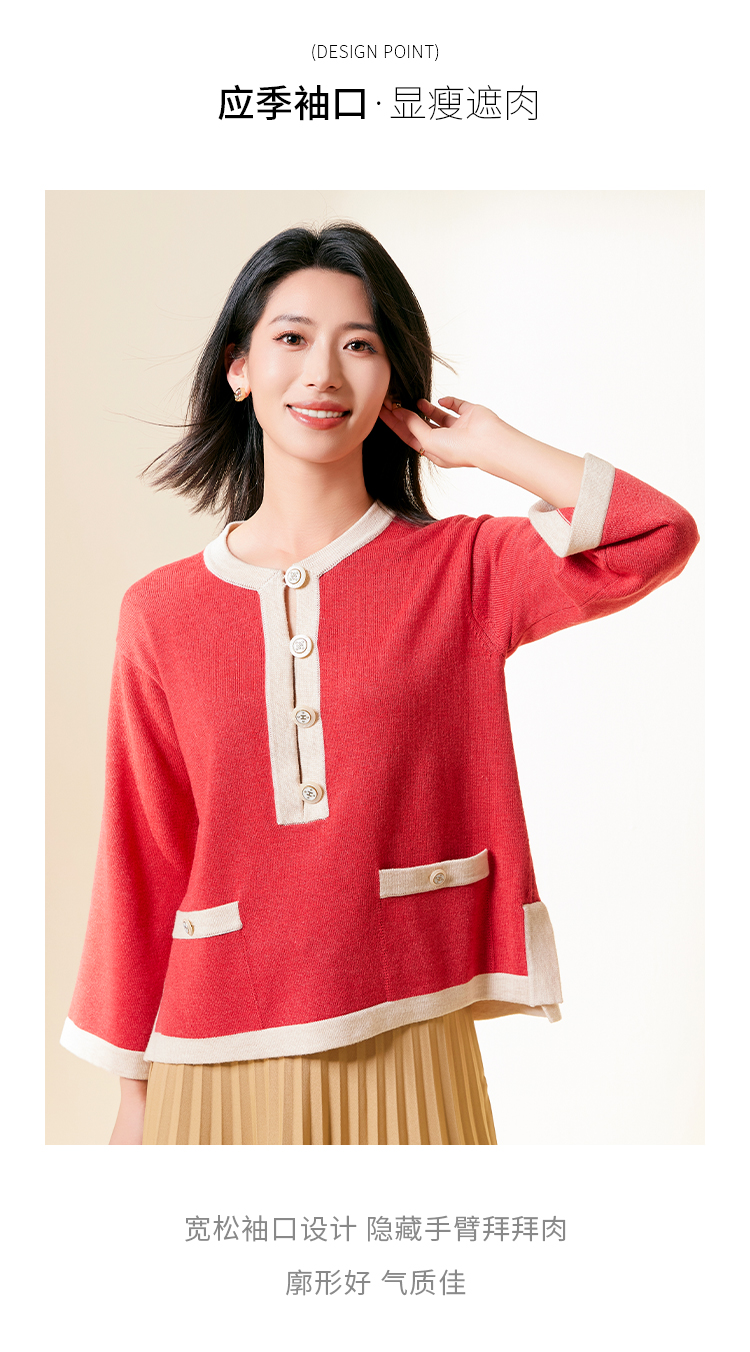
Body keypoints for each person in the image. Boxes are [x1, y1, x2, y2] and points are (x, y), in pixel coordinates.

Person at [60, 222, 699, 1145]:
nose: (322, 372)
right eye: (291, 338)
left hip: (410, 1032)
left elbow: (656, 535)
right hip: (207, 1058)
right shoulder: (159, 612)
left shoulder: (464, 571)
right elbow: (142, 852)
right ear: (239, 368)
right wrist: (133, 1094)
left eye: (358, 345)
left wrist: (490, 445)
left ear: (393, 380)